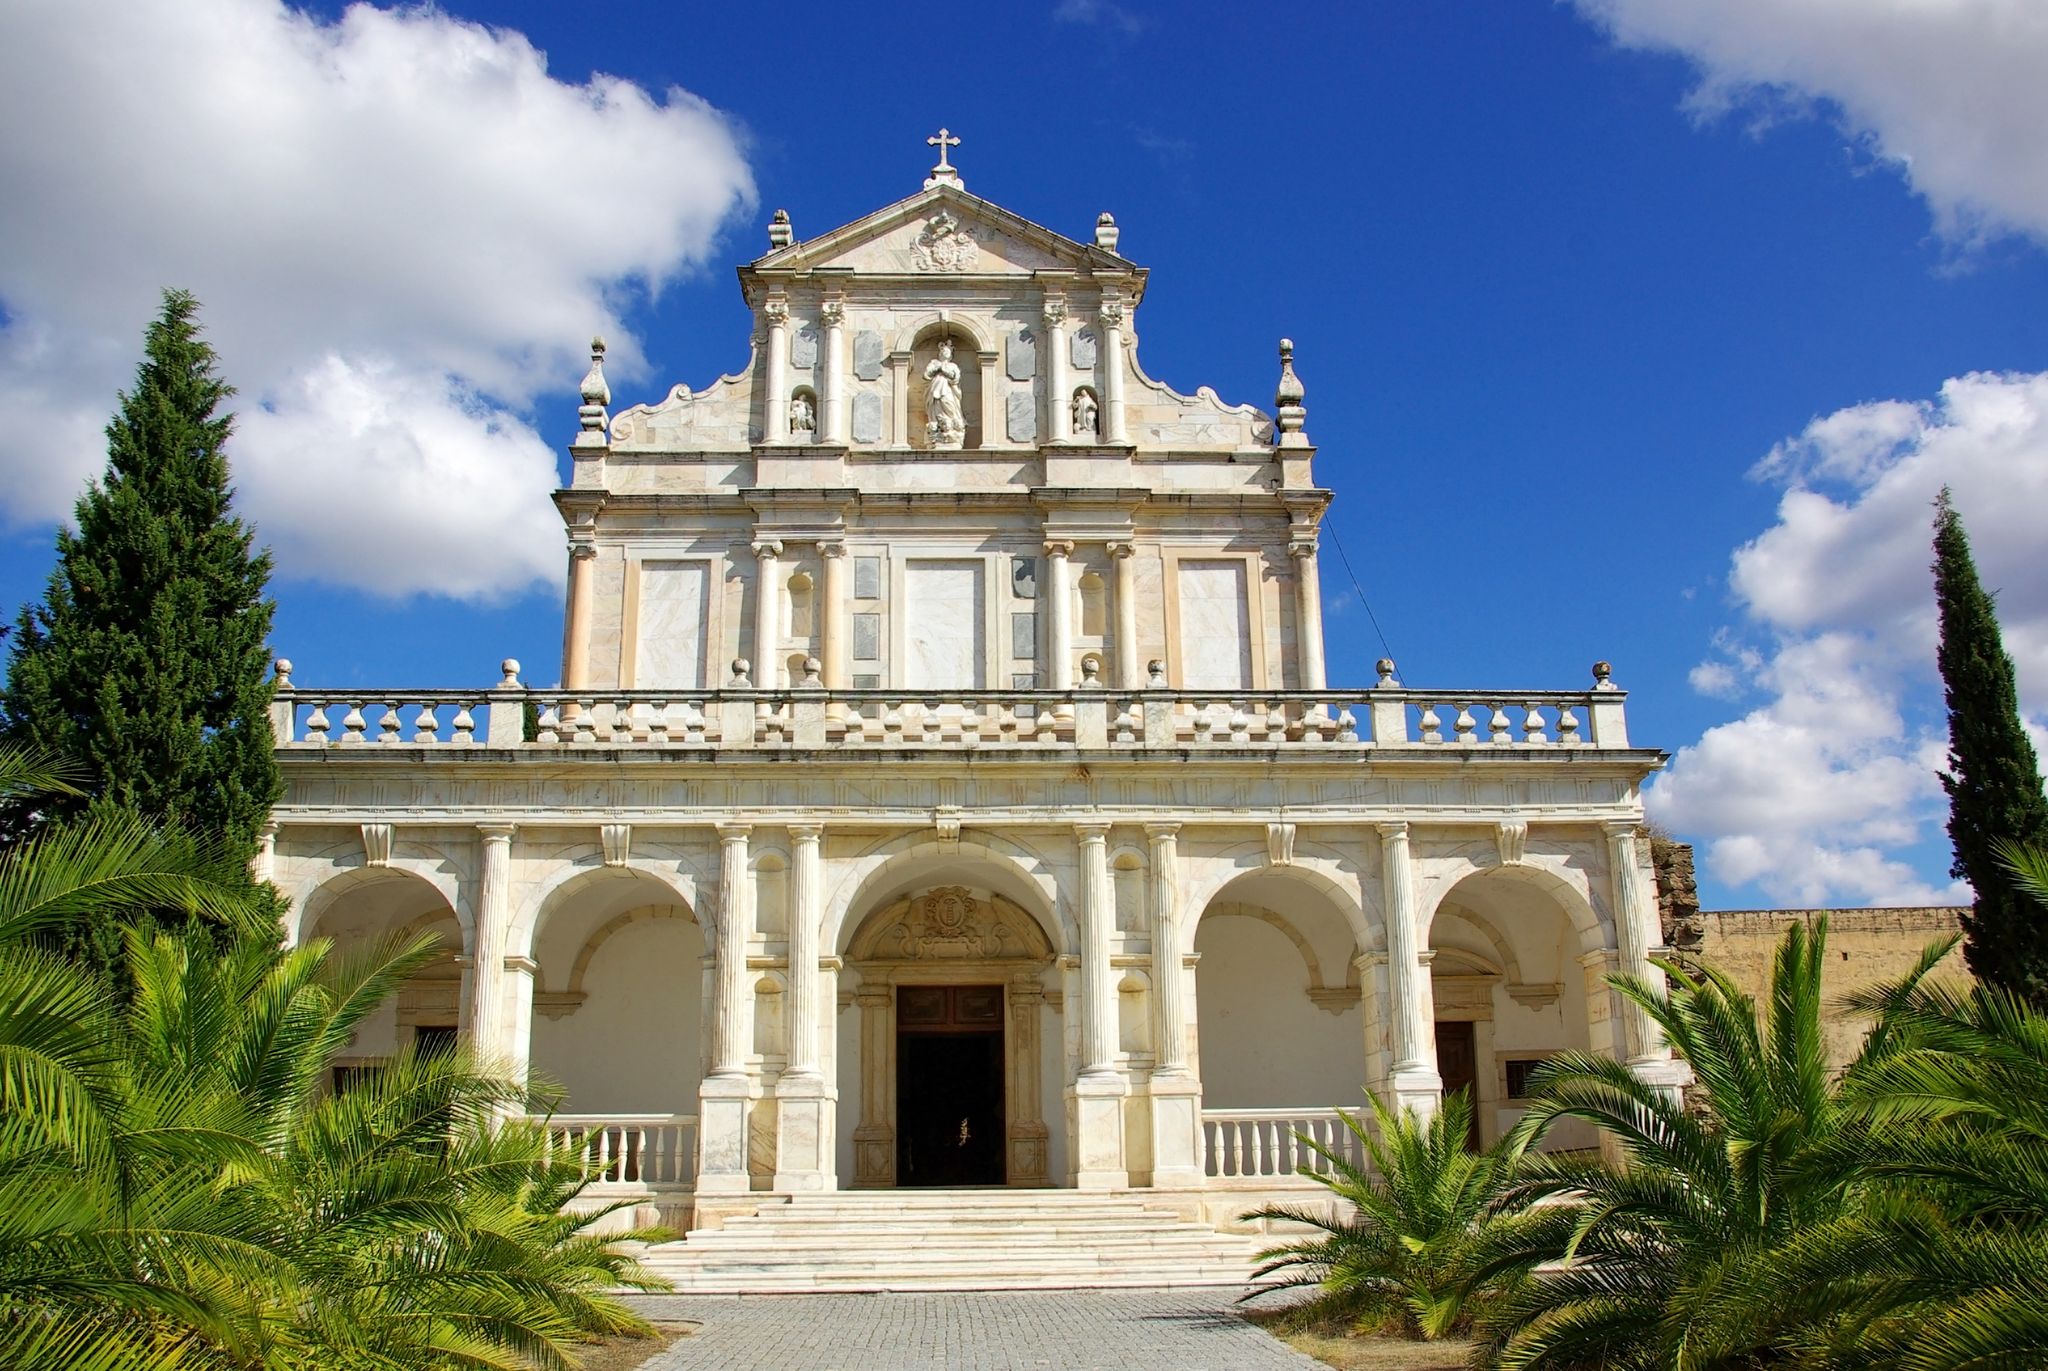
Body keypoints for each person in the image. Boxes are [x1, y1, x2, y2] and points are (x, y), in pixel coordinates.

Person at [925, 339, 965, 446]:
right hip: (934, 390)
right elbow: (926, 375)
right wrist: (937, 369)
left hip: (947, 390)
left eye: (947, 352)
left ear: (950, 355)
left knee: (949, 406)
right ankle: (936, 432)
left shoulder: (953, 366)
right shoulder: (934, 363)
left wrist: (944, 370)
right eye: (943, 352)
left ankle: (952, 428)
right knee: (936, 408)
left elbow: (955, 378)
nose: (944, 353)